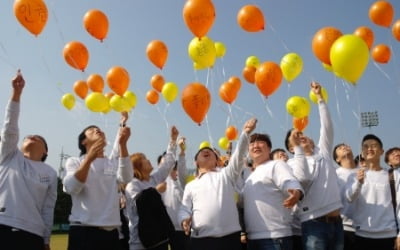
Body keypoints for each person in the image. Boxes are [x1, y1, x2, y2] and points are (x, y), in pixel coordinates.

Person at [178, 118, 257, 250]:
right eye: (202, 152)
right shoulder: (191, 185)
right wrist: (184, 219)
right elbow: (184, 208)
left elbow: (238, 157)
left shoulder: (226, 174)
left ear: (217, 160)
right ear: (196, 162)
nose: (207, 151)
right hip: (200, 240)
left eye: (211, 152)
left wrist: (245, 134)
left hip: (229, 238)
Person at [0, 70, 57, 250]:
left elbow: (48, 208)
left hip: (33, 234)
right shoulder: (9, 155)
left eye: (38, 137)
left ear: (45, 151)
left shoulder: (50, 172)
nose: (31, 136)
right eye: (27, 136)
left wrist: (46, 239)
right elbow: (10, 128)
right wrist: (16, 94)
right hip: (3, 224)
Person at [285, 82, 343, 250]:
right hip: (313, 224)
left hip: (337, 221)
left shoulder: (323, 152)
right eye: (295, 137)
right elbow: (302, 178)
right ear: (290, 148)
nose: (300, 136)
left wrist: (320, 99)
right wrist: (298, 150)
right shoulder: (290, 163)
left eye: (302, 134)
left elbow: (327, 127)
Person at [63, 112, 133, 250]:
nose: (97, 130)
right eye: (91, 130)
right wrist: (89, 159)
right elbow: (71, 187)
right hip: (83, 231)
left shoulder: (110, 163)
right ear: (83, 141)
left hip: (111, 233)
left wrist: (123, 143)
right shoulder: (75, 162)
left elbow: (126, 177)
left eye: (99, 129)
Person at [242, 133, 304, 250]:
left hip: (276, 239)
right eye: (252, 143)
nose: (255, 145)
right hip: (253, 239)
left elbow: (289, 182)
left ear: (269, 148)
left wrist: (296, 192)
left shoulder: (276, 165)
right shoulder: (249, 177)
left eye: (260, 142)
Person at [125, 126, 179, 250]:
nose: (148, 160)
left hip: (159, 239)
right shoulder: (133, 185)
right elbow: (140, 203)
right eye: (143, 159)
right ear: (136, 167)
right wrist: (155, 191)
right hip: (140, 242)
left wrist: (173, 140)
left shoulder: (154, 178)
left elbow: (168, 163)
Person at [346, 134, 400, 250]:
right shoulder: (354, 175)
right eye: (365, 146)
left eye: (374, 146)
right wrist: (358, 183)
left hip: (388, 235)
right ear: (362, 152)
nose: (369, 149)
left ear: (381, 151)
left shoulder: (394, 175)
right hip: (361, 235)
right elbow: (349, 198)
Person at [159, 137, 191, 250]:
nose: (167, 166)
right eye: (163, 163)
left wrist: (182, 151)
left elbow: (182, 169)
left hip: (183, 229)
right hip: (166, 230)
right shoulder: (159, 183)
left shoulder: (182, 181)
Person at [333, 143, 358, 250]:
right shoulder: (335, 175)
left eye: (346, 146)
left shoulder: (365, 171)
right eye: (339, 148)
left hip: (366, 228)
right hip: (344, 227)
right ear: (337, 159)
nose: (344, 147)